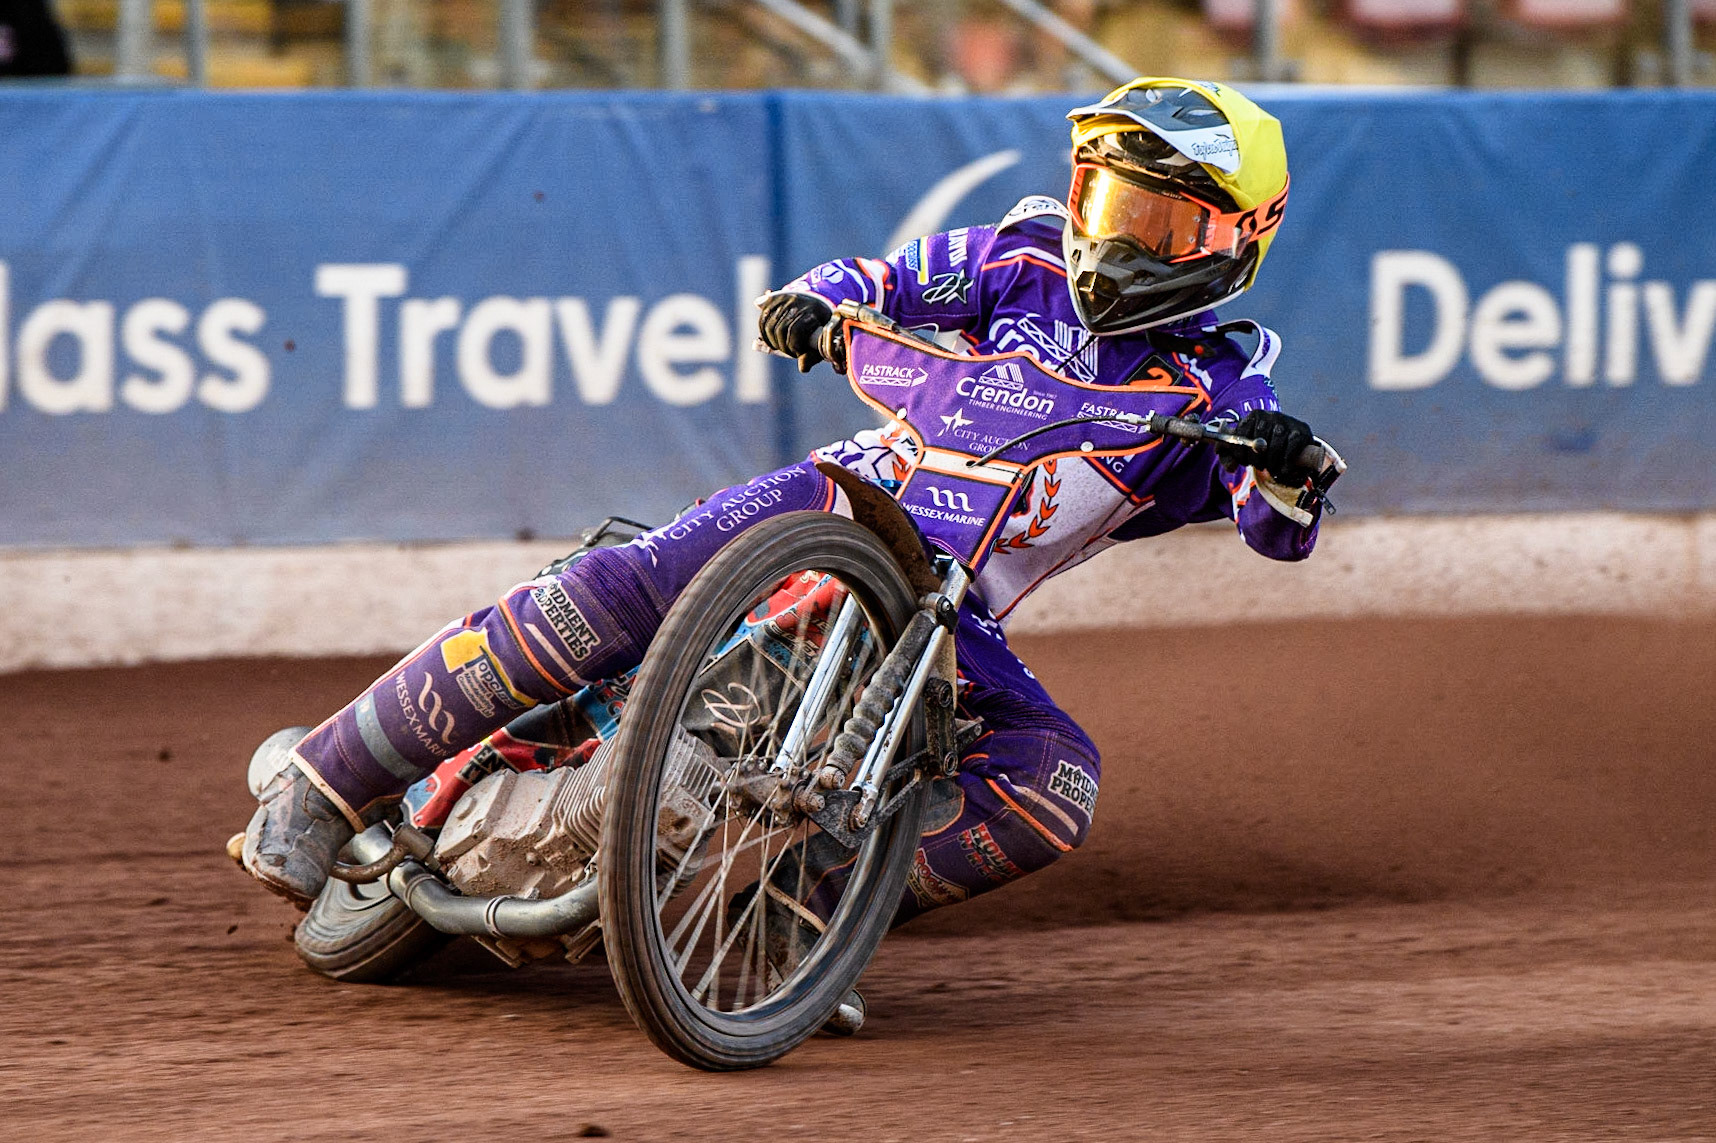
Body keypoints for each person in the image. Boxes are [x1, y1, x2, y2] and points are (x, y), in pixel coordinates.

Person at [242, 77, 1328, 941]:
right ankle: (322, 789)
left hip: (952, 618)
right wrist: (821, 300)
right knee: (622, 587)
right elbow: (886, 280)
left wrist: (1287, 470)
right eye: (1109, 204)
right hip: (844, 495)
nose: (1118, 238)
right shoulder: (1025, 253)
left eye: (1158, 222)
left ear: (1241, 235)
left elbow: (1275, 526)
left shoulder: (1224, 386)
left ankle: (798, 924)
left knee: (1058, 780)